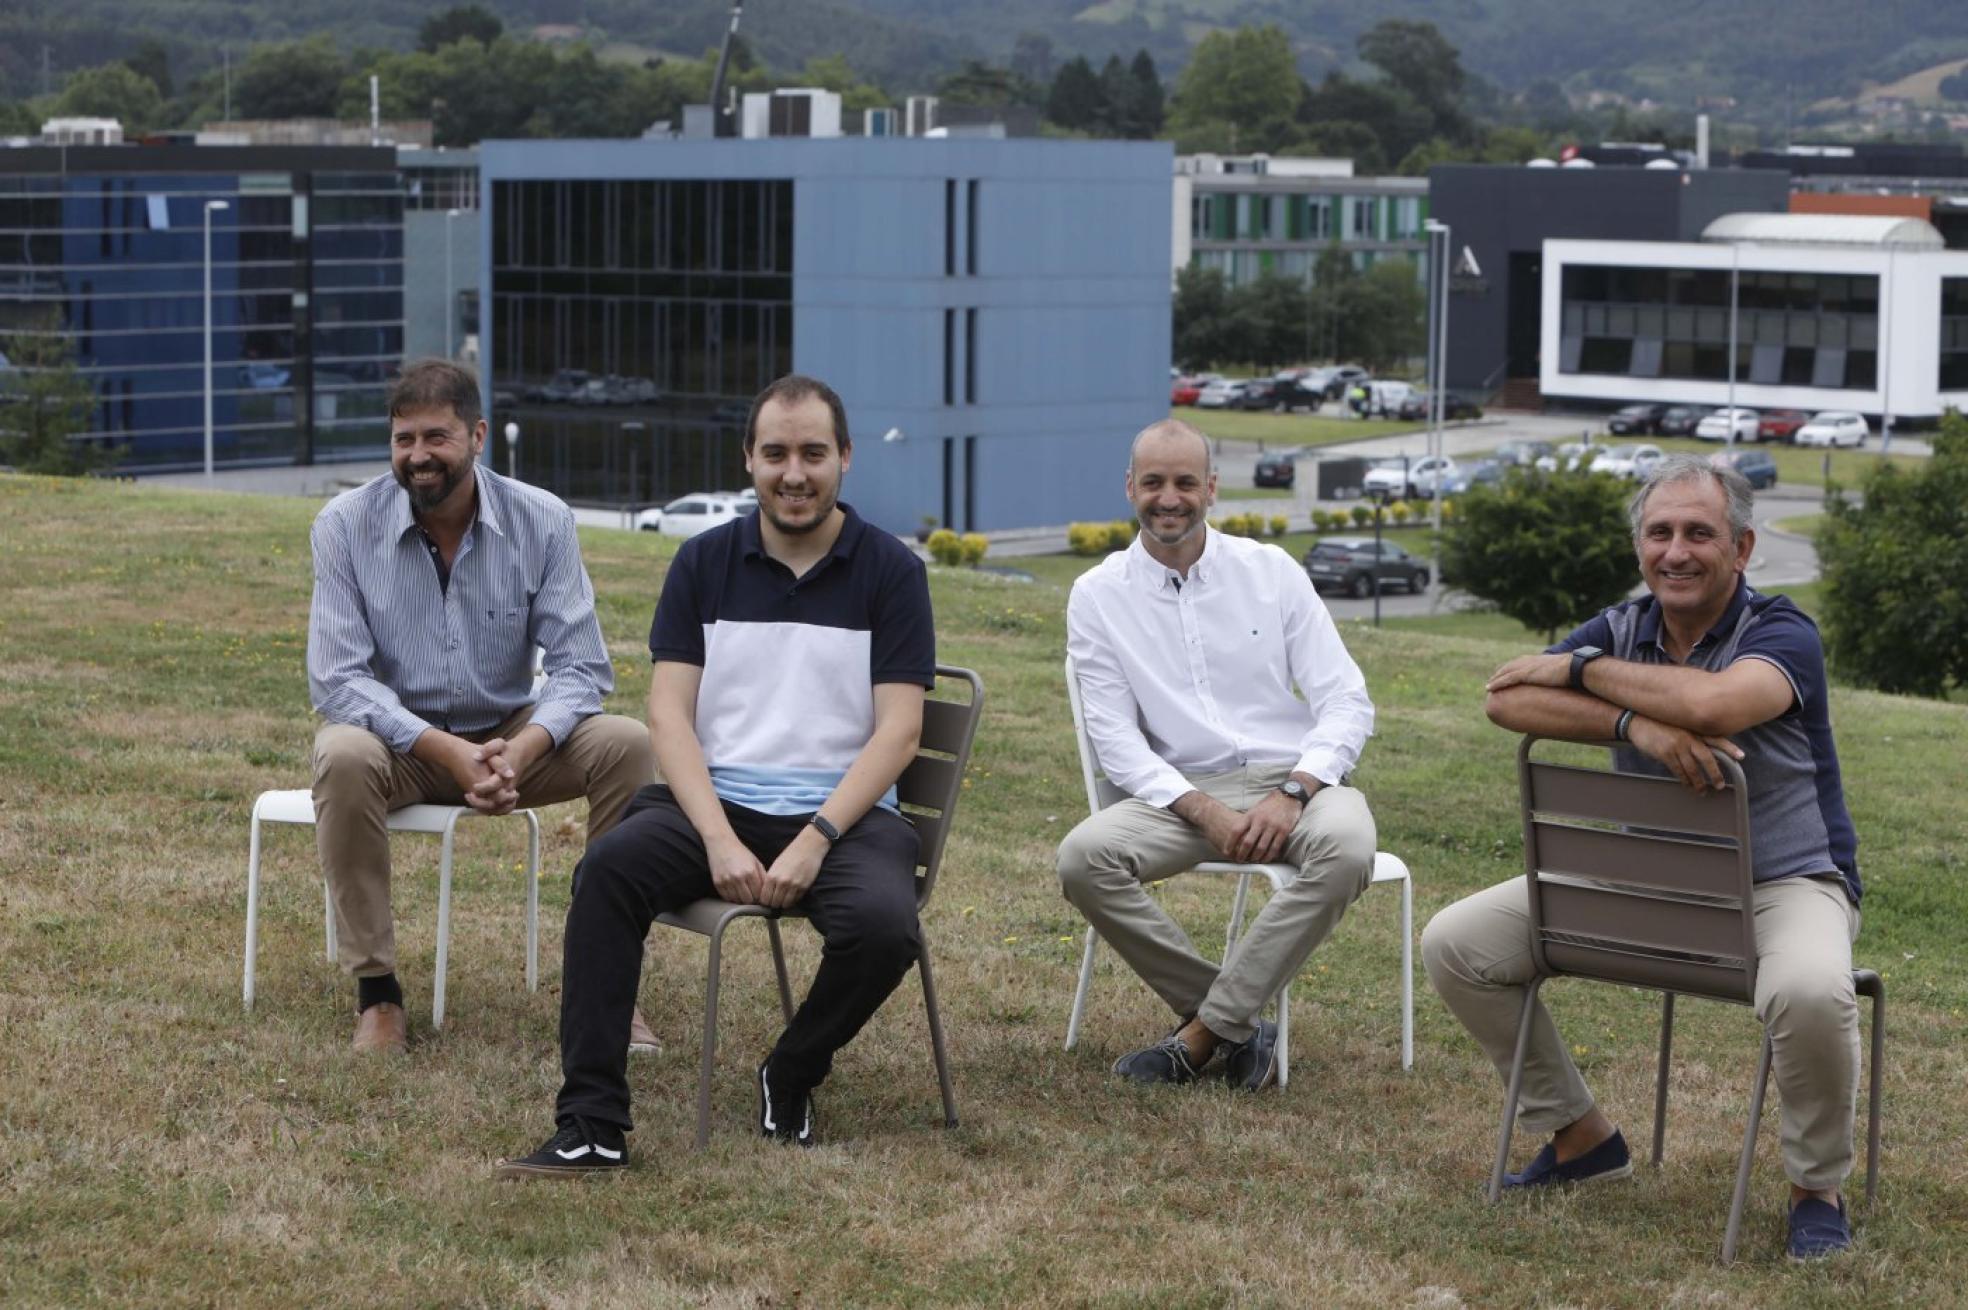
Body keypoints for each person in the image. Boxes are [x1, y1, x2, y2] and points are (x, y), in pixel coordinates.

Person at [1422, 454, 1865, 1261]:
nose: (1676, 552)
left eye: (1700, 533)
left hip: (1786, 885)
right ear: (1639, 548)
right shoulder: (1625, 628)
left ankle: (1815, 1188)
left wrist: (1585, 672)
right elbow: (1506, 697)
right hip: (1650, 884)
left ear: (1742, 547)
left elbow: (1716, 702)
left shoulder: (1782, 632)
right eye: (1659, 533)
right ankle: (1580, 1137)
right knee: (1458, 944)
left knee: (1809, 990)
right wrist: (1634, 727)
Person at [498, 373, 935, 1174]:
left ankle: (791, 1071)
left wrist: (814, 838)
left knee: (886, 927)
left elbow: (900, 731)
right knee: (607, 872)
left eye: (812, 453)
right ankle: (592, 1121)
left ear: (844, 458)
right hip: (714, 805)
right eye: (775, 453)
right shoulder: (702, 563)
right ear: (748, 460)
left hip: (844, 818)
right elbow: (668, 716)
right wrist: (719, 838)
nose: (793, 473)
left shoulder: (891, 572)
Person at [307, 359, 654, 1055]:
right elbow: (338, 681)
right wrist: (447, 751)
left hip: (511, 737)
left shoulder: (542, 520)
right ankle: (378, 994)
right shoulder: (345, 525)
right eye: (403, 439)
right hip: (402, 746)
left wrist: (517, 751)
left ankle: (608, 986)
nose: (418, 456)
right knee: (339, 751)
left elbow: (582, 666)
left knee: (629, 744)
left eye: (436, 437)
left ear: (478, 436)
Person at [1056, 419, 1378, 1091]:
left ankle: (1204, 1033)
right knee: (1084, 860)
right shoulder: (1097, 593)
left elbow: (1346, 699)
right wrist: (1200, 809)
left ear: (1211, 488)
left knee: (1348, 847)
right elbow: (1114, 737)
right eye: (1153, 482)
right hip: (1179, 790)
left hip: (1291, 782)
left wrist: (1294, 793)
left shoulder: (1271, 572)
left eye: (1183, 482)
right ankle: (1240, 1025)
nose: (1168, 498)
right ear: (1130, 488)